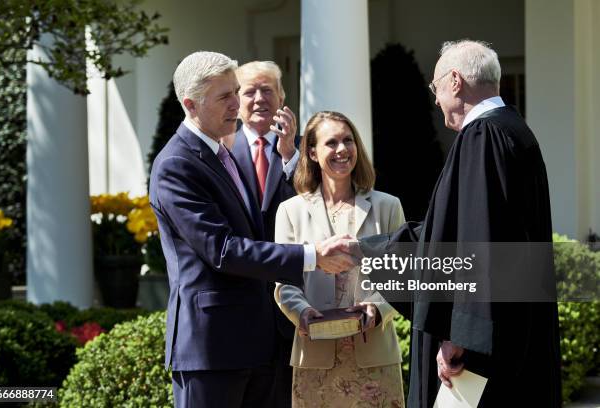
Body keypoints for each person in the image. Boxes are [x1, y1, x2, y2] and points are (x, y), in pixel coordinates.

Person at [352, 40, 562, 407]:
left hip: (479, 354)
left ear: (454, 81)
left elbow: (478, 240)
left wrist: (461, 335)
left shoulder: (482, 136)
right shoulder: (515, 130)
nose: (434, 100)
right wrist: (364, 249)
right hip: (513, 331)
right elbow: (445, 229)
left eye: (435, 88)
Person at [148, 51, 355, 408]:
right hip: (212, 349)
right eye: (225, 96)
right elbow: (223, 250)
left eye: (234, 92)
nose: (236, 104)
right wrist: (312, 256)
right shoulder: (176, 165)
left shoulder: (220, 154)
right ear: (190, 105)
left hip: (258, 343)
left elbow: (261, 231)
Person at [274, 111, 407, 408]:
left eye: (348, 140)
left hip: (375, 356)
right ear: (312, 151)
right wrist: (302, 313)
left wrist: (377, 306)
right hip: (313, 358)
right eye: (331, 143)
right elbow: (284, 282)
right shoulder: (289, 211)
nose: (342, 150)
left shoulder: (388, 206)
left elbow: (402, 276)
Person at [232, 60, 299, 407]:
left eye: (267, 90)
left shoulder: (303, 150)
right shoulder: (221, 150)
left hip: (290, 303)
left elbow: (316, 204)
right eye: (250, 91)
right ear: (236, 100)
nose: (259, 98)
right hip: (239, 303)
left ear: (282, 98)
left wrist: (289, 154)